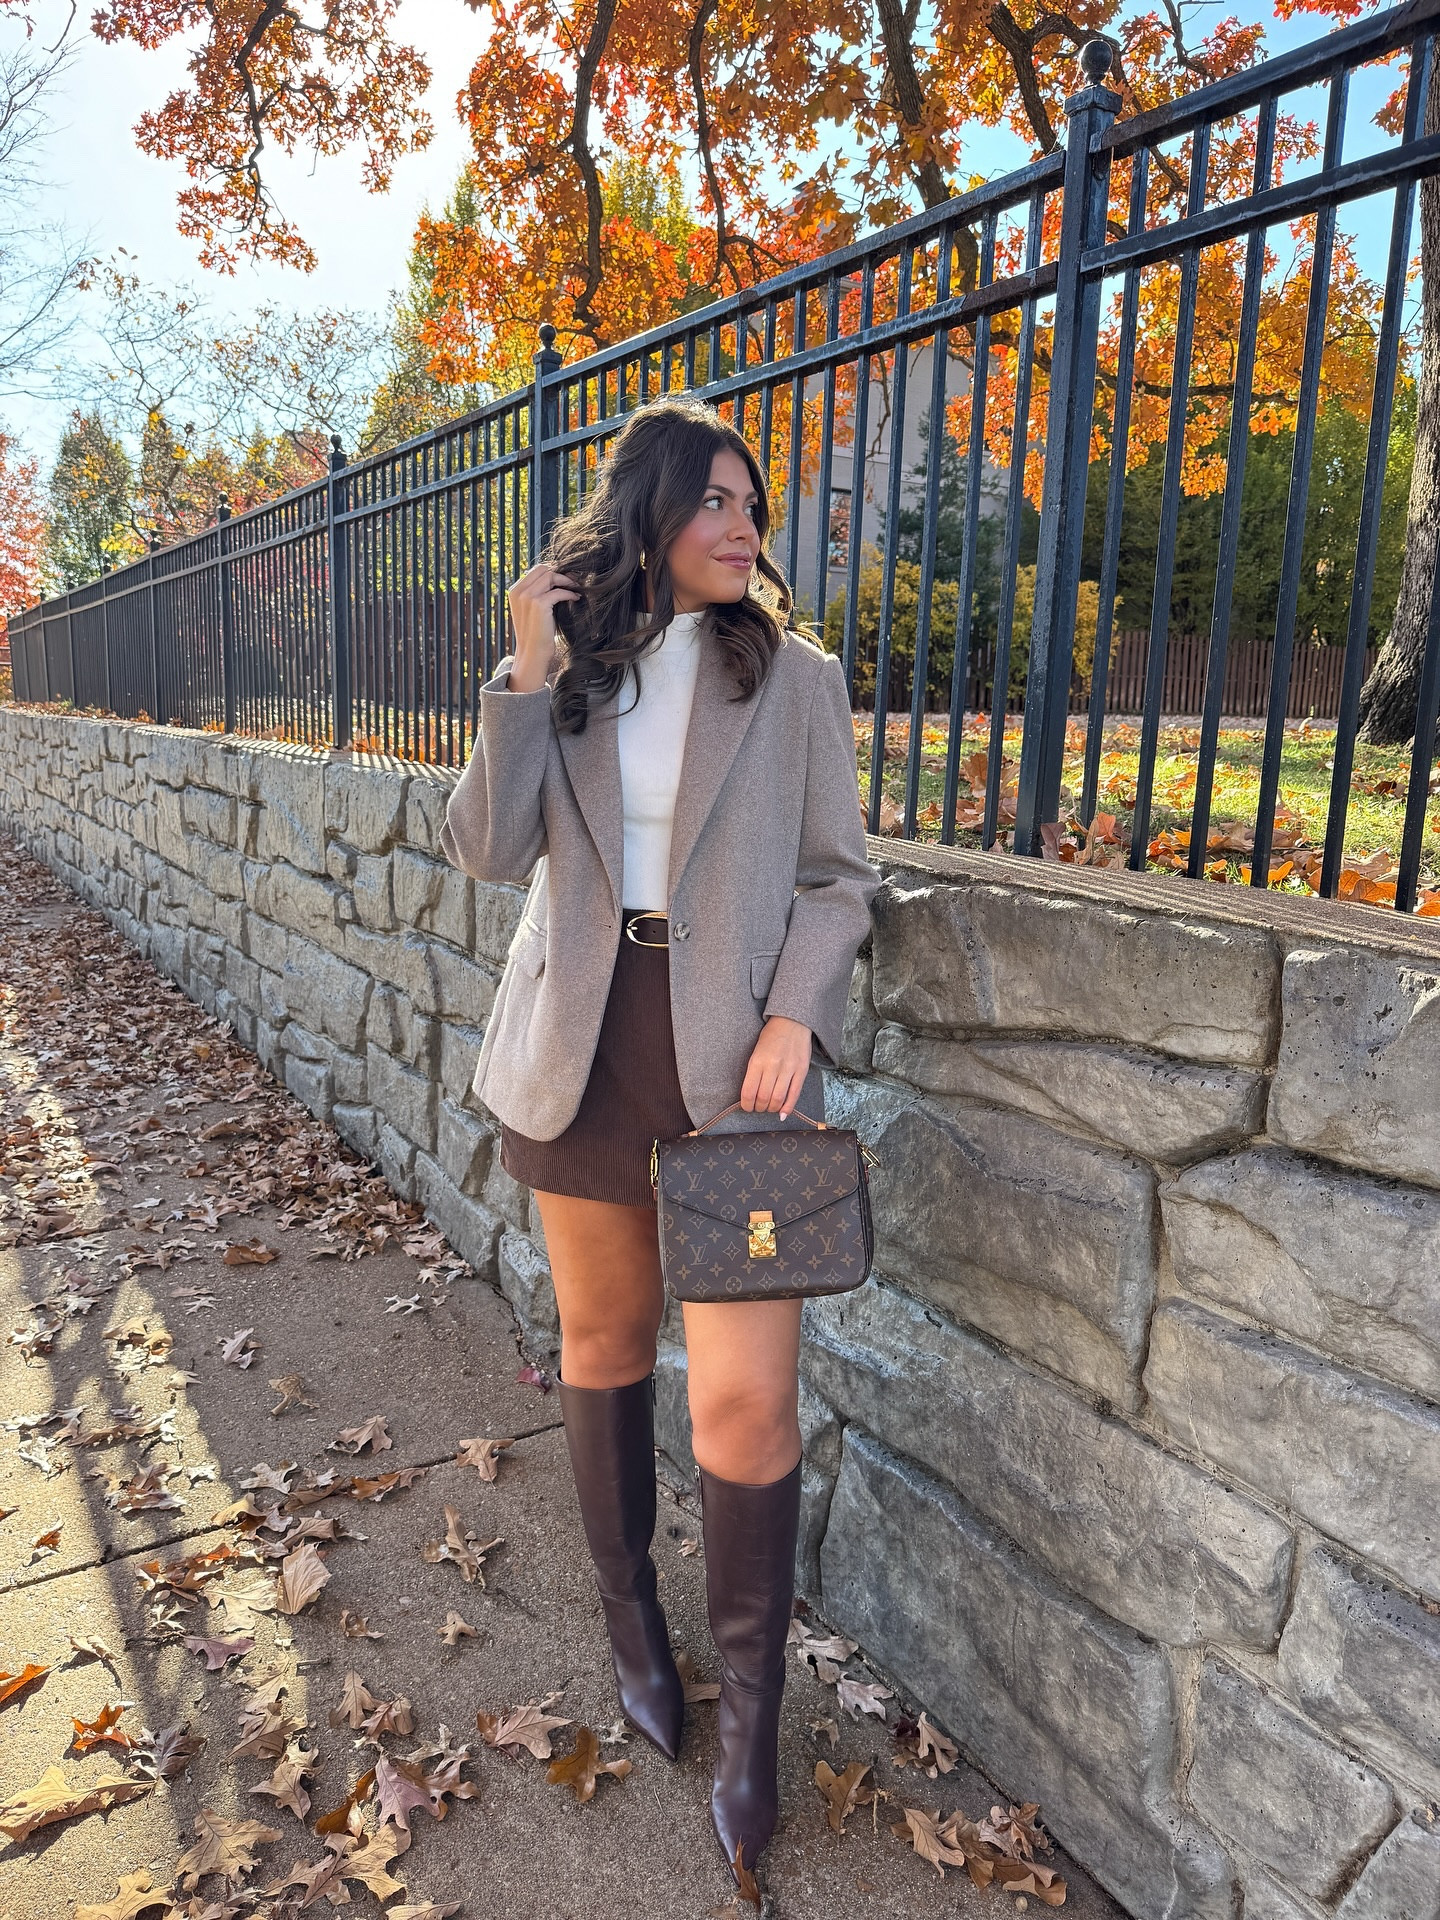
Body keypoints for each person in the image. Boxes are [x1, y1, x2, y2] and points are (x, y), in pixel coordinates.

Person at [438, 392, 881, 1890]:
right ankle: (633, 1620)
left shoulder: (794, 680)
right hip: (581, 1049)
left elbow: (839, 881)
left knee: (745, 1405)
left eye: (753, 505)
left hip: (735, 1065)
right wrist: (525, 664)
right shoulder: (571, 678)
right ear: (650, 513)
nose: (744, 526)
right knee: (605, 1342)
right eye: (715, 501)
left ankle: (751, 1721)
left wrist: (796, 1013)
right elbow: (488, 850)